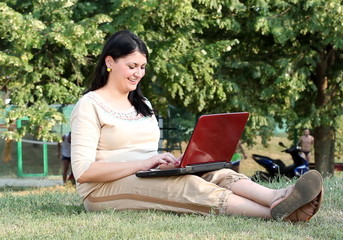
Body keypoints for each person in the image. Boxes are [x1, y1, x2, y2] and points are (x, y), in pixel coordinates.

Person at [70, 30, 323, 222]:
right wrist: (145, 163)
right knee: (186, 186)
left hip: (143, 174)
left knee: (214, 172)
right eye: (132, 66)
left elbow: (143, 154)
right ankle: (278, 214)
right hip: (101, 190)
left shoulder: (142, 103)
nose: (138, 73)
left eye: (143, 67)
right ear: (110, 62)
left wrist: (169, 163)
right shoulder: (90, 105)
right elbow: (84, 172)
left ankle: (277, 196)